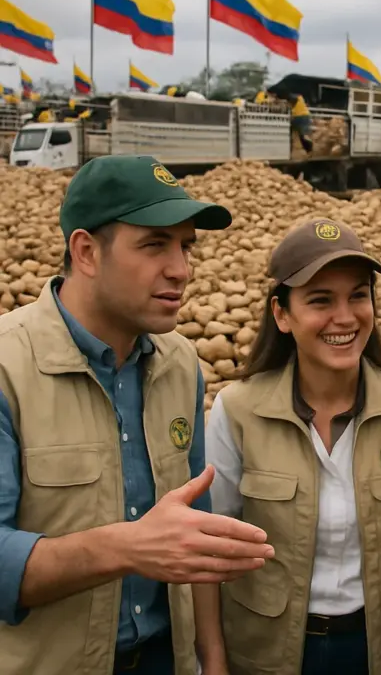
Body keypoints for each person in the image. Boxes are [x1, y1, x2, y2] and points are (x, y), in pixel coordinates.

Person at [0, 154, 275, 675]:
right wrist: (126, 548)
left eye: (186, 245)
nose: (181, 268)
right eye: (154, 245)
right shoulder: (7, 368)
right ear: (86, 251)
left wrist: (211, 660)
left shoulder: (180, 364)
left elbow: (194, 535)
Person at [205, 217, 381, 675]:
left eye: (358, 295)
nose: (344, 317)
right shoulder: (237, 412)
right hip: (269, 655)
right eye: (321, 300)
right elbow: (209, 553)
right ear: (281, 314)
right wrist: (213, 664)